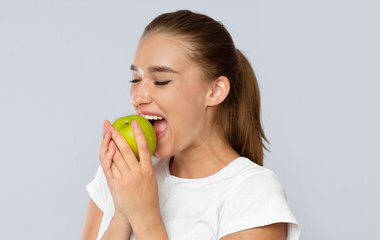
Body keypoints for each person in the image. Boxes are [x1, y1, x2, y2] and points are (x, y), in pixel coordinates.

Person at [81, 9, 300, 240]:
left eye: (161, 81)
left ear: (215, 91)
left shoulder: (253, 195)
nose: (138, 96)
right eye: (135, 80)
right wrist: (121, 216)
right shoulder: (125, 172)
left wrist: (146, 220)